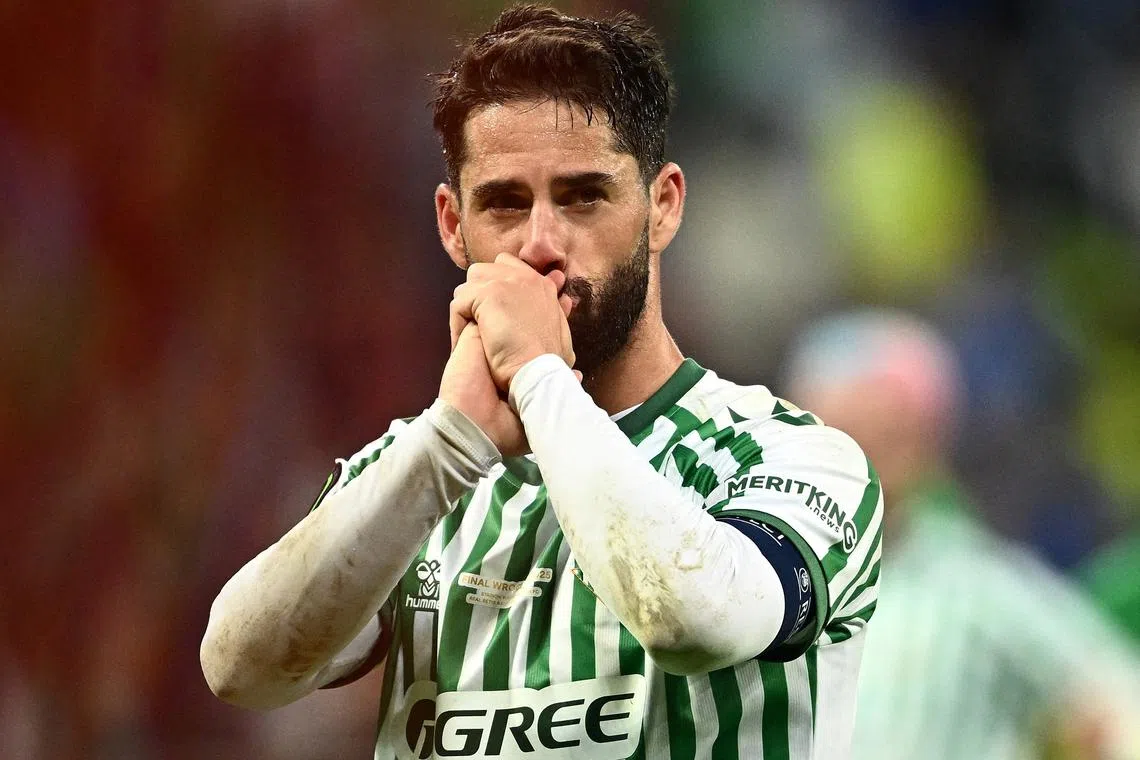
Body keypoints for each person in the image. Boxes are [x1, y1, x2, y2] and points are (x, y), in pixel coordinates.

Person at [200, 6, 883, 758]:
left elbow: (692, 621)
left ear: (663, 205)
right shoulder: (423, 471)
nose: (541, 245)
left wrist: (536, 374)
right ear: (452, 226)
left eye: (584, 196)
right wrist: (447, 443)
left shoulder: (794, 459)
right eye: (504, 203)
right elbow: (240, 667)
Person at [782, 308, 1140, 760]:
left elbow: (1118, 703)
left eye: (887, 437)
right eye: (839, 434)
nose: (860, 462)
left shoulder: (977, 586)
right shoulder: (749, 575)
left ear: (929, 443)